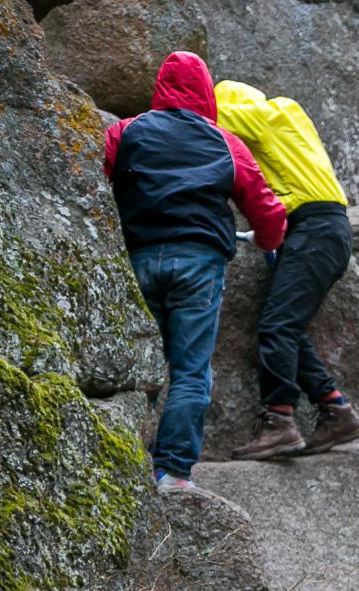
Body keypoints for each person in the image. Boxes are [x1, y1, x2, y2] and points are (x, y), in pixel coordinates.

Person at [105, 52, 286, 491]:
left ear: (161, 86)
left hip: (140, 259)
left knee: (139, 366)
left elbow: (100, 179)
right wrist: (268, 240)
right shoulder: (225, 142)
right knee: (190, 371)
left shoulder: (126, 131)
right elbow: (266, 207)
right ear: (206, 90)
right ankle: (171, 472)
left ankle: (127, 462)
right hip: (199, 265)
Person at [214, 80, 359, 459]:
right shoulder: (291, 122)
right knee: (287, 326)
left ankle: (279, 421)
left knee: (277, 327)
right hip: (323, 229)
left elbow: (199, 117)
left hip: (313, 230)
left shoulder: (264, 117)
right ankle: (336, 411)